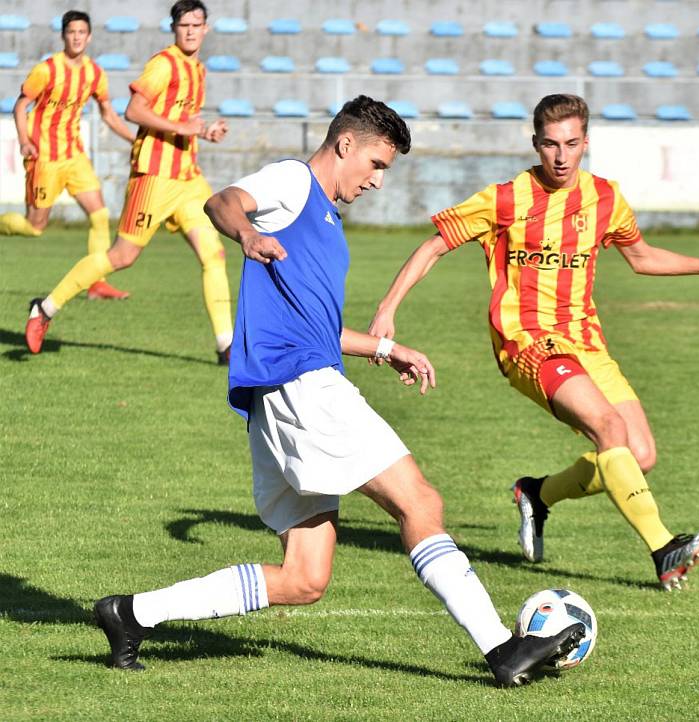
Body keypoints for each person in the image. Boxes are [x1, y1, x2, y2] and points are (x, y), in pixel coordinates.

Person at [92, 95, 584, 686]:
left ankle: (131, 613)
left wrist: (384, 348)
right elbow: (221, 201)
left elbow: (317, 327)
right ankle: (501, 648)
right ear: (346, 144)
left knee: (304, 578)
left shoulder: (324, 218)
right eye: (376, 163)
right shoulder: (292, 183)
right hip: (302, 386)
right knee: (419, 503)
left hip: (279, 394)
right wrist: (245, 232)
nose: (377, 180)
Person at [368, 94, 699, 591]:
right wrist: (388, 308)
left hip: (586, 341)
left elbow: (640, 256)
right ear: (536, 144)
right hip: (528, 342)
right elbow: (433, 247)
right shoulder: (507, 198)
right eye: (551, 145)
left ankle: (537, 495)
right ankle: (664, 548)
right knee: (607, 427)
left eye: (571, 144)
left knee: (638, 453)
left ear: (585, 143)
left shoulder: (604, 198)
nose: (561, 156)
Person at [24, 1, 234, 364]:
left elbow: (183, 117)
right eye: (184, 24)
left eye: (196, 24)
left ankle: (226, 345)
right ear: (174, 27)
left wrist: (205, 129)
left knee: (213, 254)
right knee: (122, 257)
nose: (190, 30)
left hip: (187, 177)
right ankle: (45, 308)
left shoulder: (197, 69)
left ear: (206, 28)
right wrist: (183, 127)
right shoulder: (163, 63)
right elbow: (134, 110)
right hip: (153, 177)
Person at [0, 10, 135, 301]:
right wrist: (24, 140)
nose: (76, 37)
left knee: (100, 216)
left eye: (81, 32)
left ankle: (96, 284)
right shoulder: (46, 70)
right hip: (44, 157)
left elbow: (108, 114)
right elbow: (21, 106)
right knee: (35, 227)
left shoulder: (95, 73)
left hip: (74, 155)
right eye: (71, 32)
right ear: (63, 35)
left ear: (89, 36)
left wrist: (134, 139)